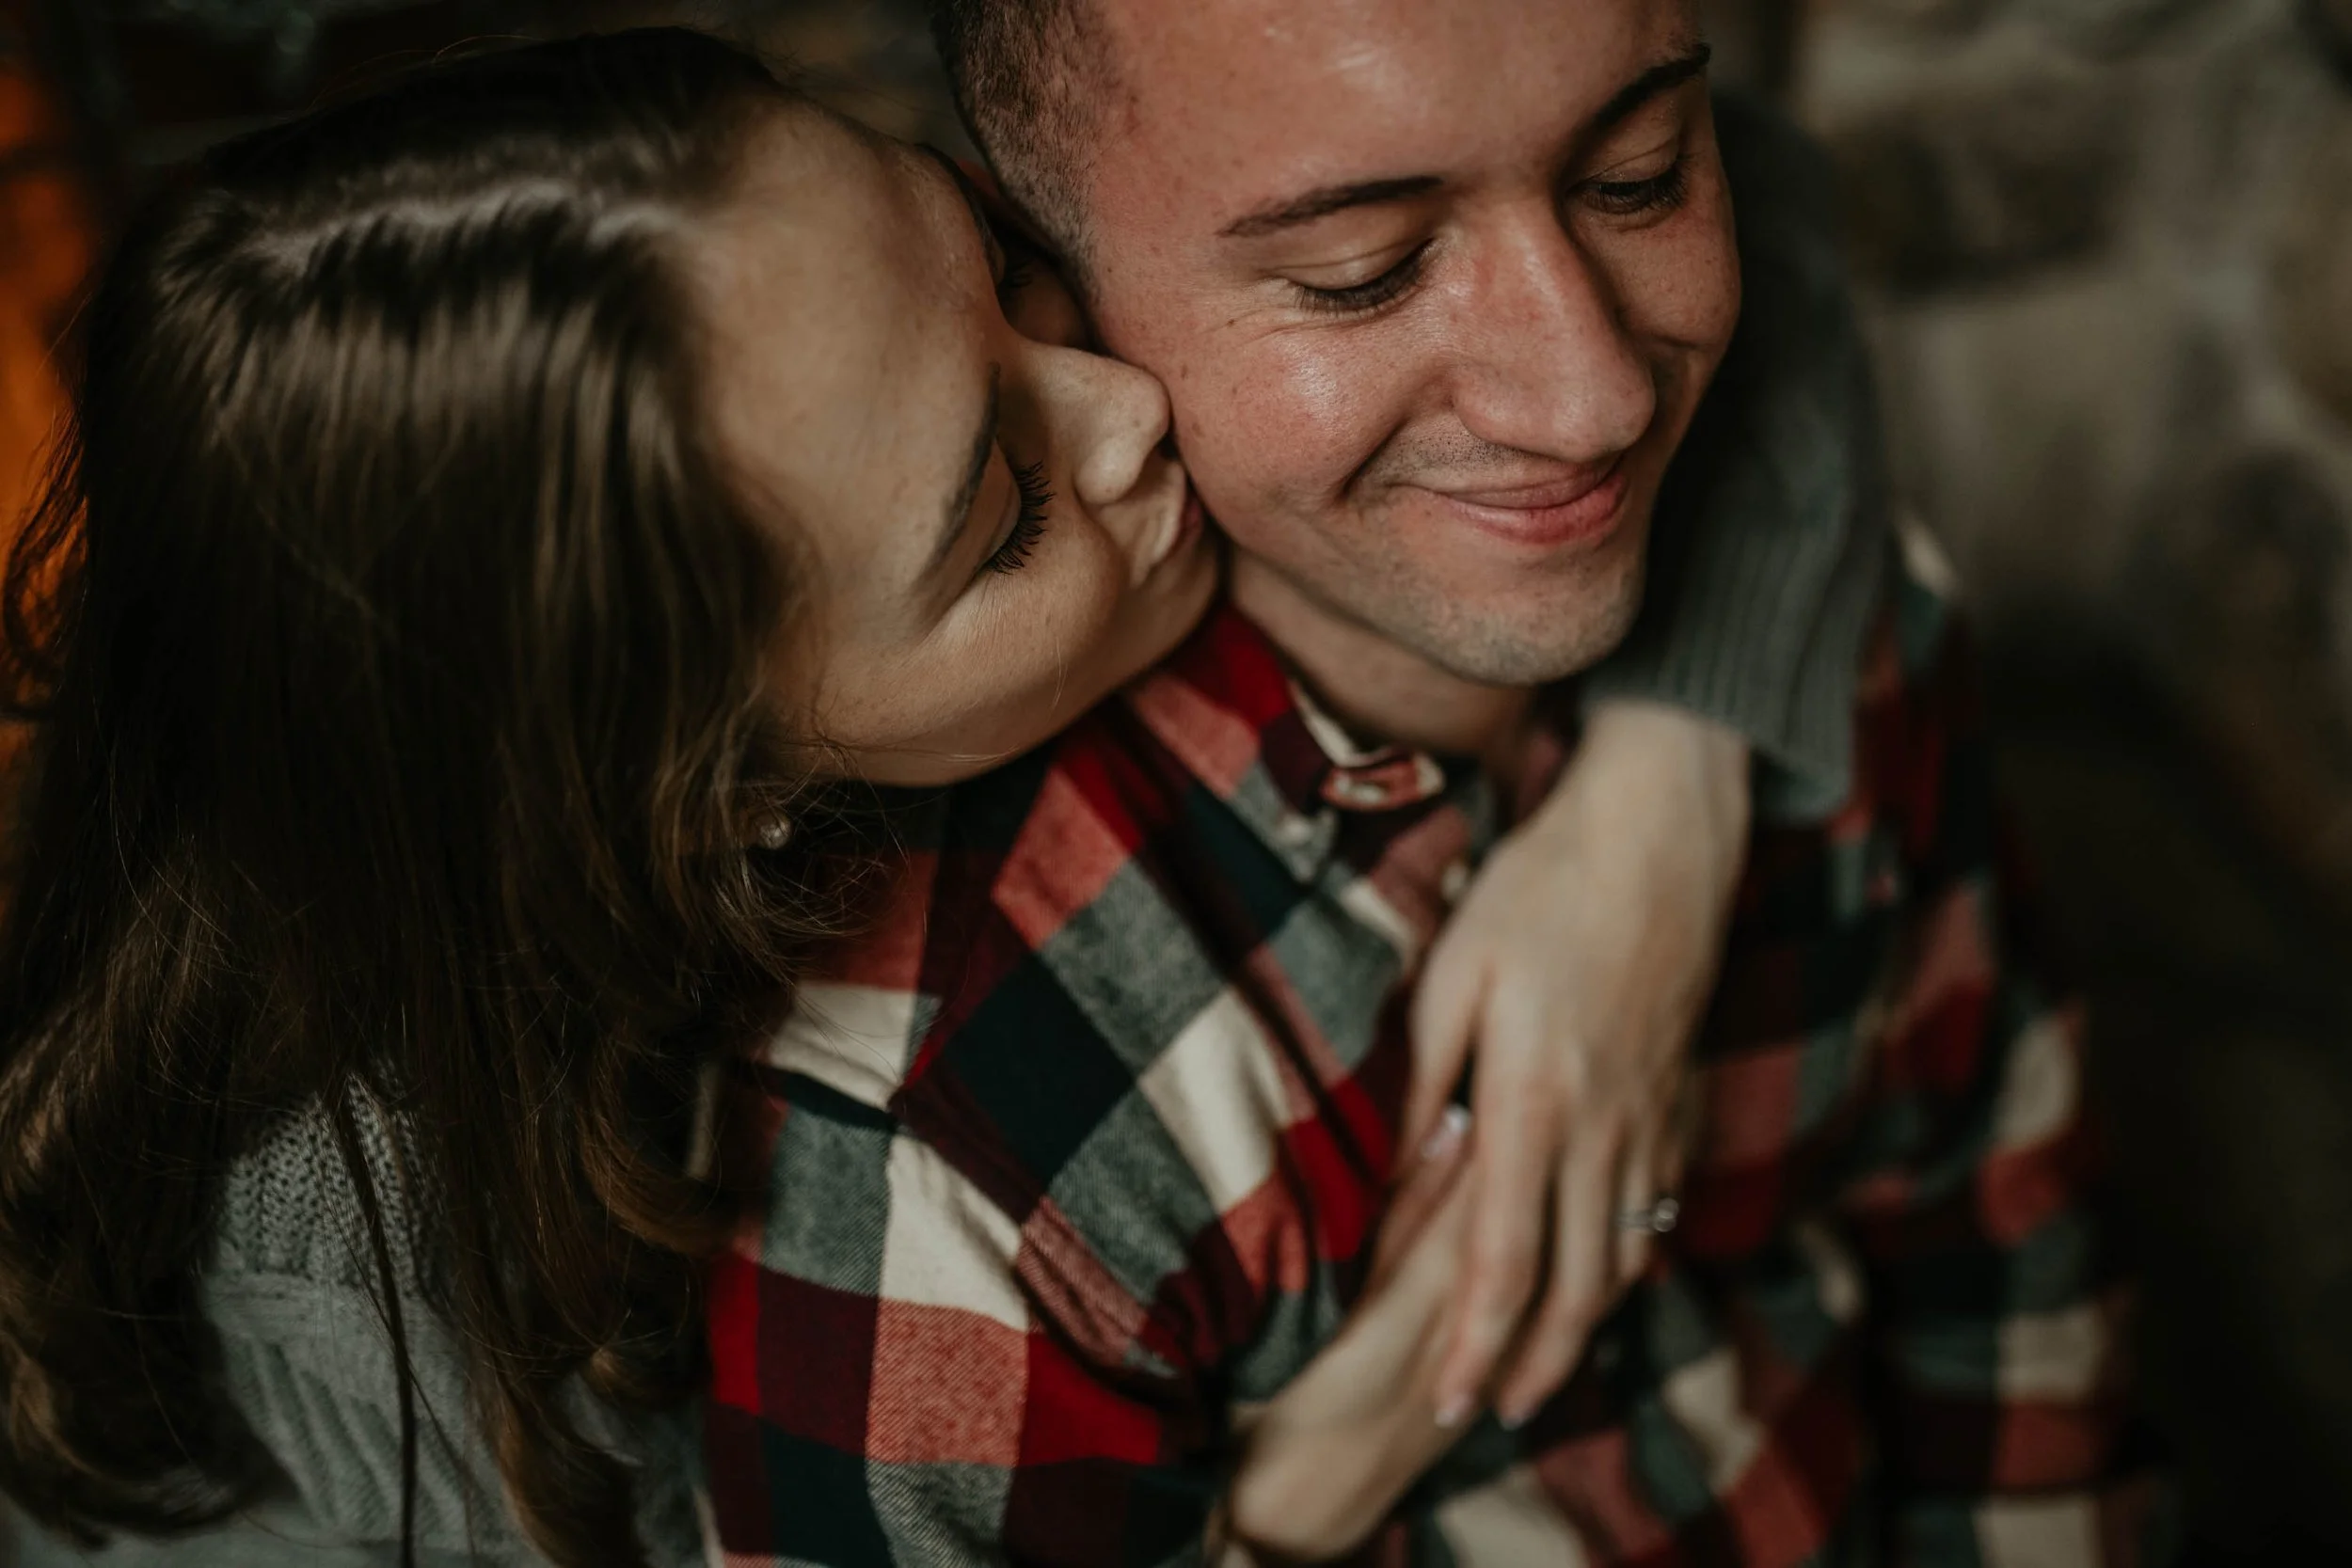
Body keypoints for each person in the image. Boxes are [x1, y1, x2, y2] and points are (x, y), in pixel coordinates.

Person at [0, 25, 1868, 1568]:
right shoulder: (385, 1324)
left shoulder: (827, 340)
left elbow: (1737, 188)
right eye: (1004, 518)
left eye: (991, 262)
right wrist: (1298, 1494)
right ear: (720, 797)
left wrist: (1658, 800)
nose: (1121, 409)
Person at [699, 0, 2169, 1561]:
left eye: (1640, 176)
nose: (1591, 396)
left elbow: (2009, 1262)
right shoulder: (957, 1125)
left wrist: (1688, 762)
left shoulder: (1825, 609)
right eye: (1364, 272)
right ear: (1048, 283)